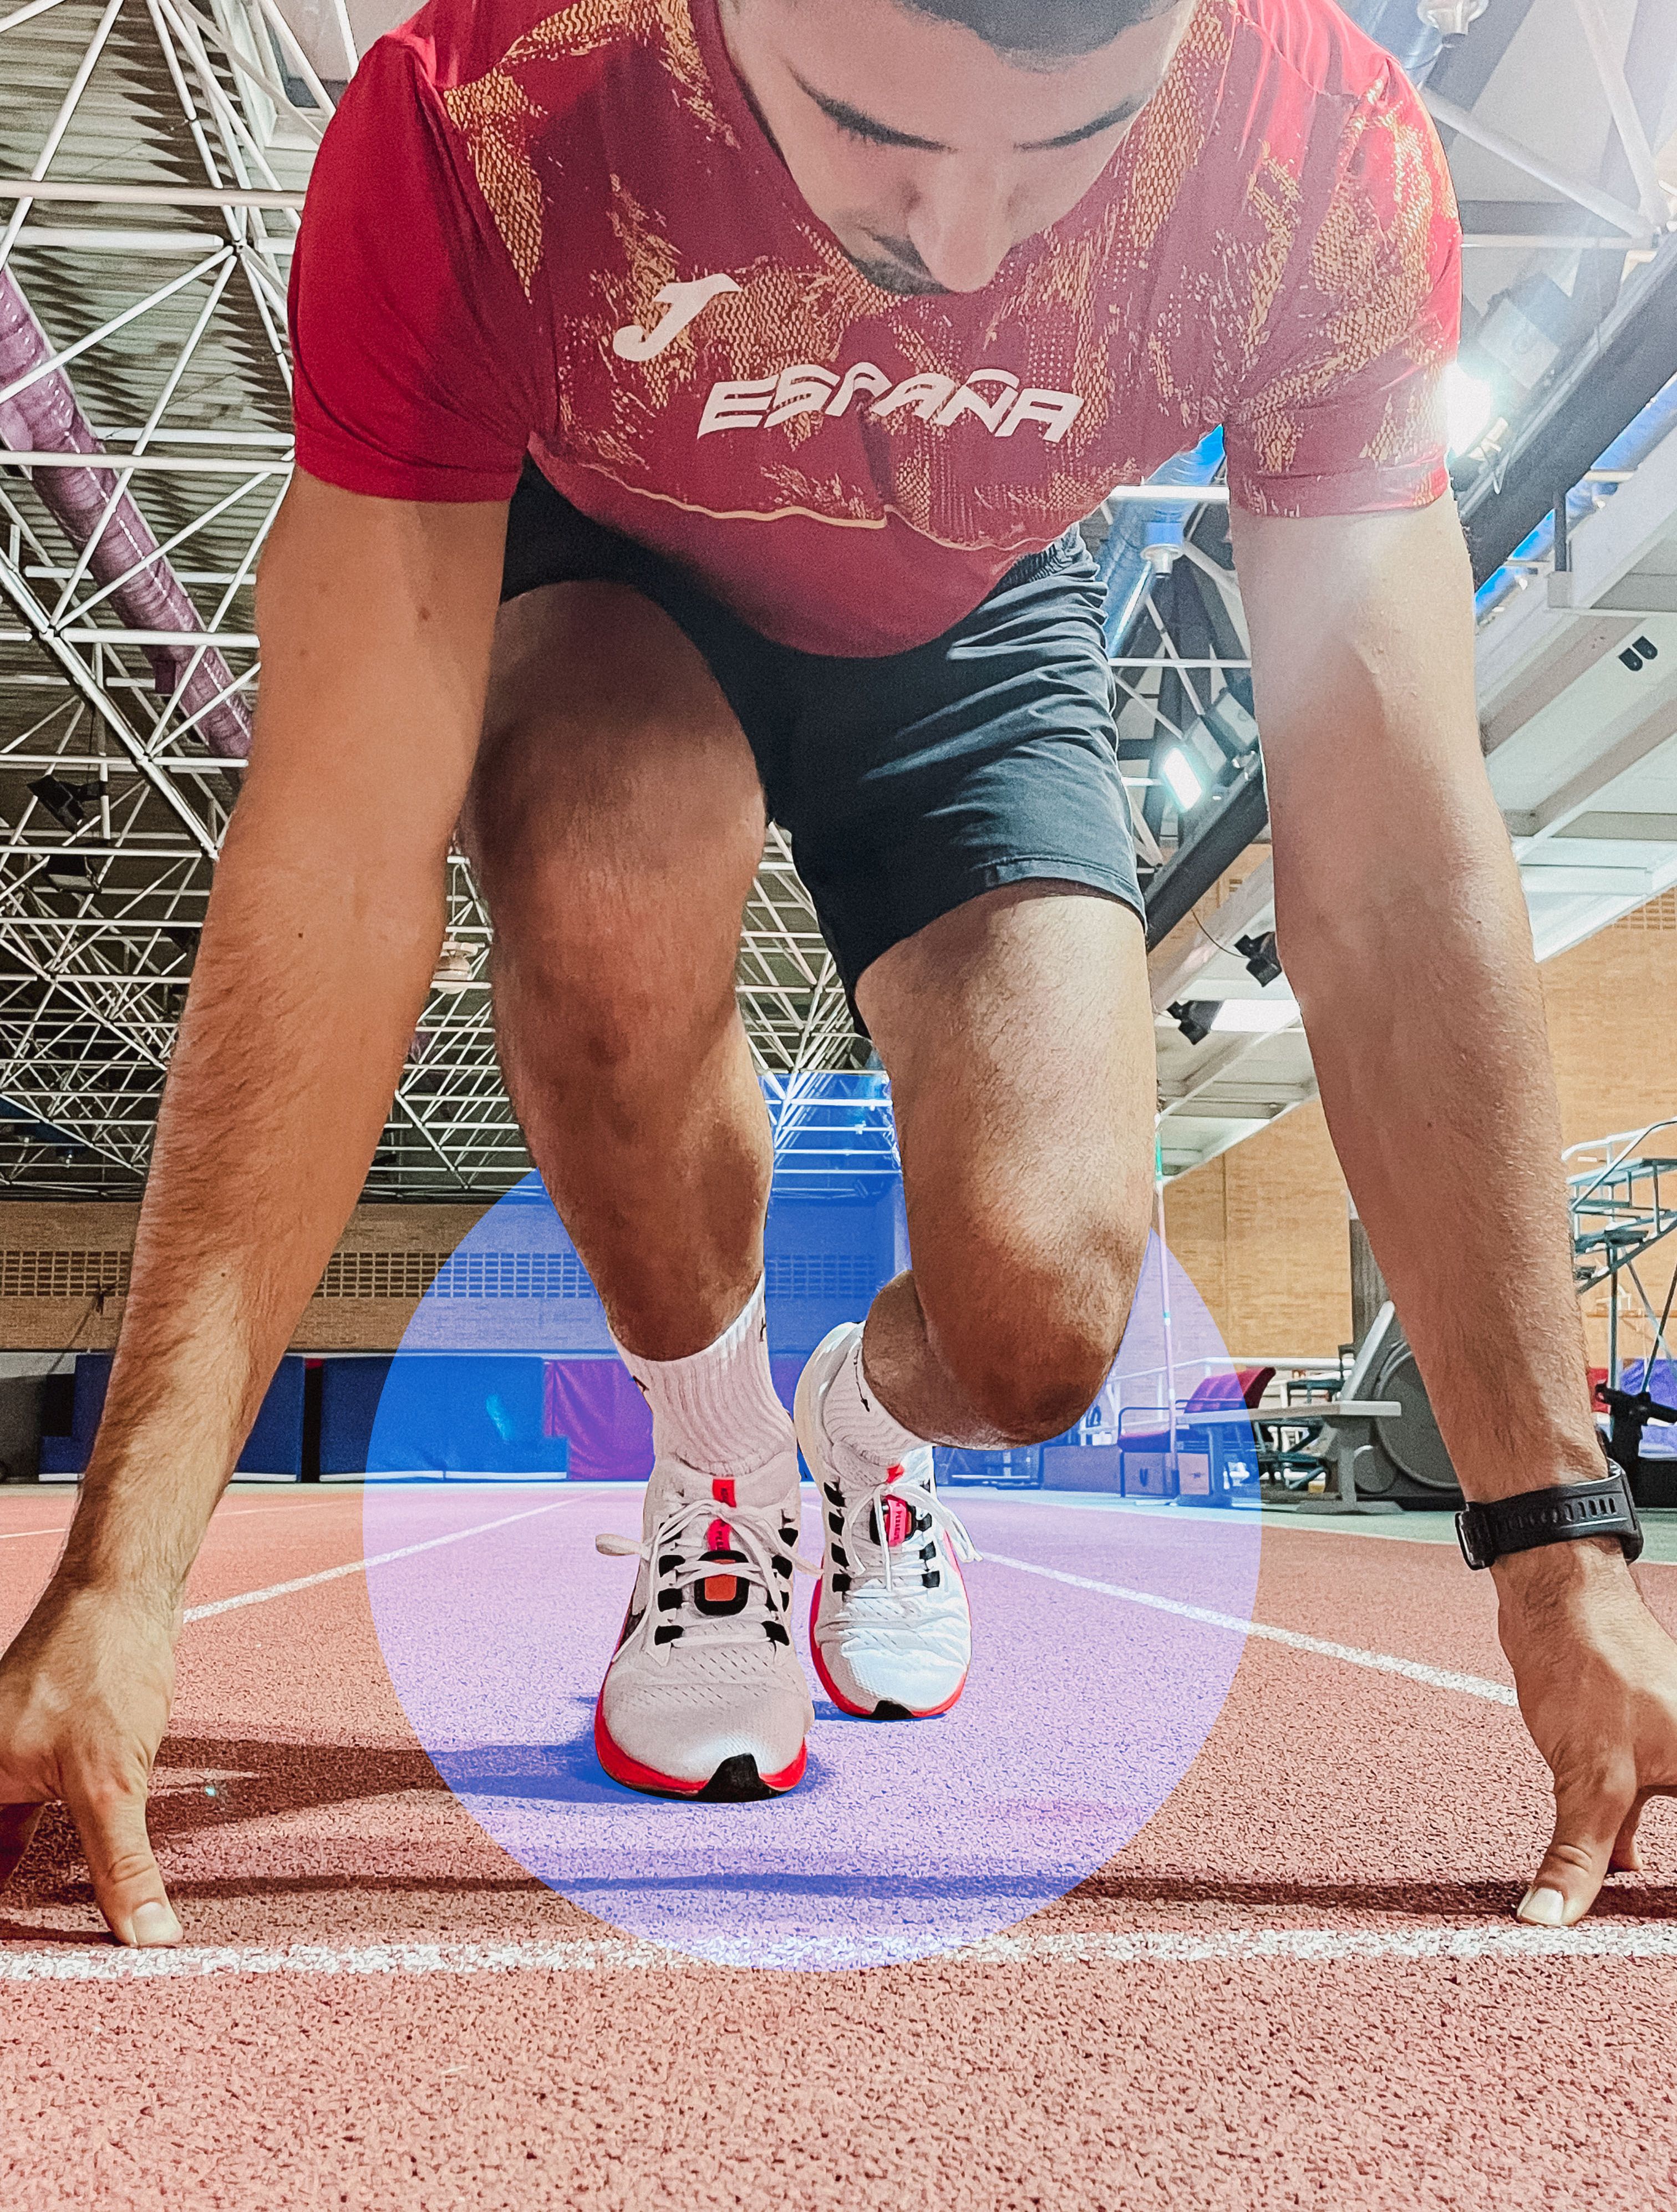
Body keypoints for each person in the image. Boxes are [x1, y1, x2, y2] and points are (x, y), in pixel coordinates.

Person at [3, 0, 1675, 1944]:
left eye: (1065, 153)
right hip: (615, 576)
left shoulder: (1321, 155)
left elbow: (1394, 870)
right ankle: (715, 1465)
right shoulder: (489, 124)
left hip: (979, 617)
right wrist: (118, 1580)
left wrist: (1568, 1563)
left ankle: (855, 1433)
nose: (962, 252)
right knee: (603, 859)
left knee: (1048, 1322)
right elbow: (338, 869)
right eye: (873, 133)